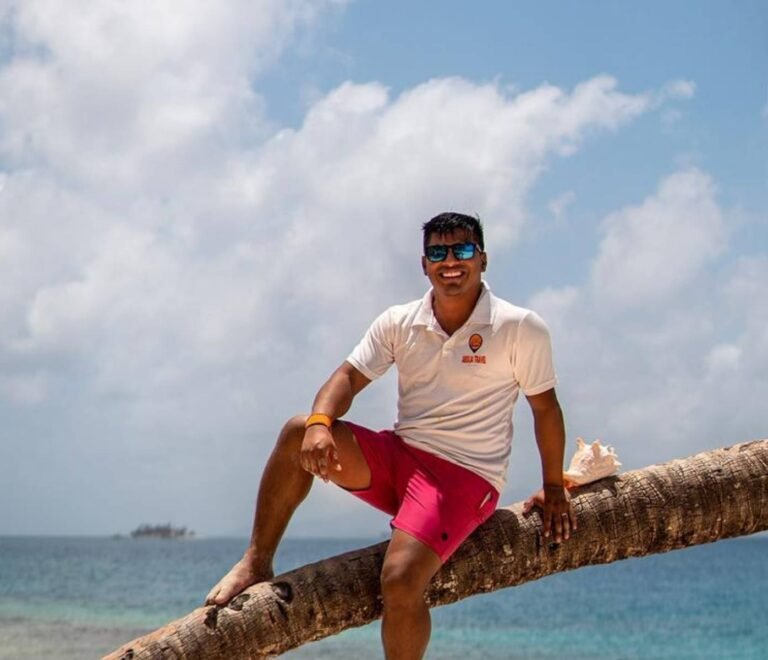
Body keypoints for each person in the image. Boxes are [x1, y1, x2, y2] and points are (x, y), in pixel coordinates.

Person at [205, 212, 576, 660]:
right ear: (424, 265)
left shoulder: (519, 327)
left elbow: (545, 409)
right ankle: (256, 562)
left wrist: (553, 485)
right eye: (438, 252)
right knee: (297, 430)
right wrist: (321, 425)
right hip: (399, 458)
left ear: (482, 259)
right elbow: (346, 376)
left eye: (462, 250)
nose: (450, 261)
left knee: (399, 578)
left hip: (464, 479)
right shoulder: (401, 322)